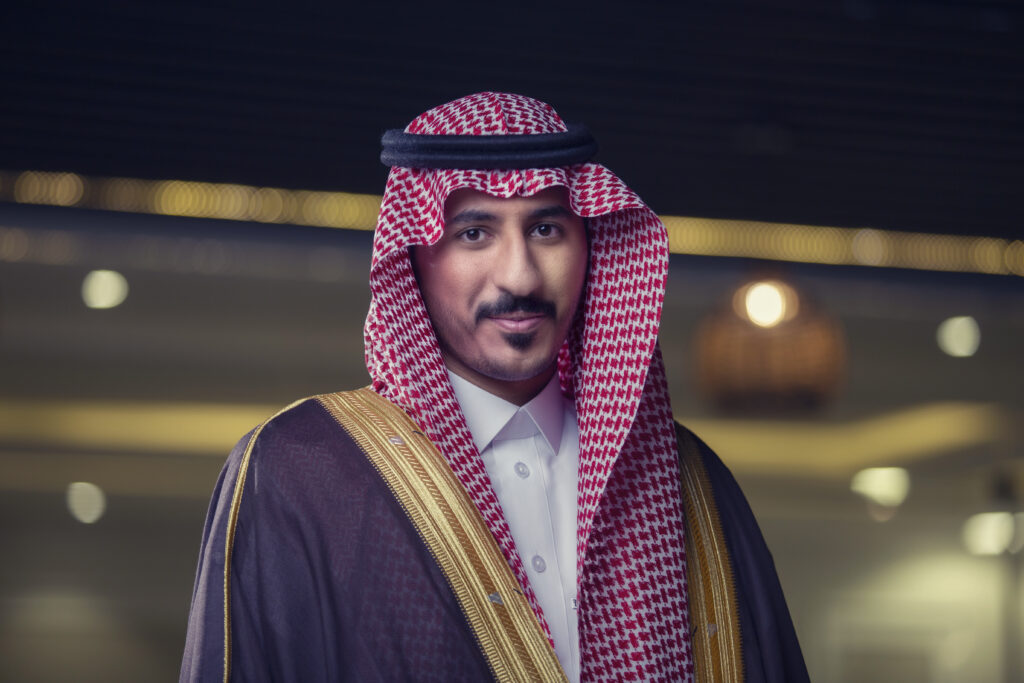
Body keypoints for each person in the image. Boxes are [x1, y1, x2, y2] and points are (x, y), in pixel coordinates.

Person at [180, 92, 809, 682]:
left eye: (546, 230)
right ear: (413, 255)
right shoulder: (302, 471)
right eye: (474, 233)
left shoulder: (693, 481)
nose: (520, 276)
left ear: (591, 244)